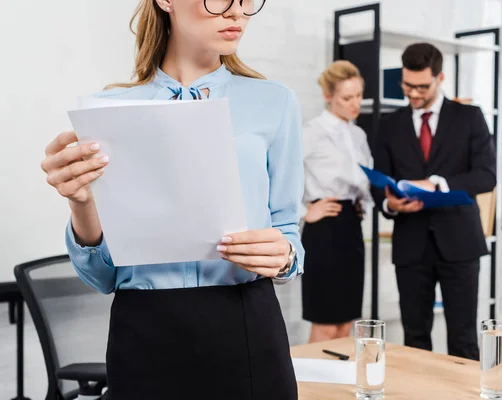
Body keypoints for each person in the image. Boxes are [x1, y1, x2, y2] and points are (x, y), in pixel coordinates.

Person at [40, 1, 304, 398]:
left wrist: (283, 254)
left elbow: (289, 235)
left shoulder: (276, 102)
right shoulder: (108, 112)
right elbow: (103, 276)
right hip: (145, 333)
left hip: (247, 324)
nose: (238, 13)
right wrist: (80, 203)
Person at [372, 43, 496, 361]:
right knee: (414, 338)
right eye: (407, 85)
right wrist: (390, 205)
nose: (413, 93)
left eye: (421, 86)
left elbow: (486, 176)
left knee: (464, 339)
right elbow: (378, 185)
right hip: (411, 245)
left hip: (461, 244)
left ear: (440, 78)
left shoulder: (469, 117)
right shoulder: (389, 125)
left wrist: (438, 184)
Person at [301, 60, 373, 343]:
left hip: (351, 227)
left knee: (346, 323)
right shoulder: (312, 131)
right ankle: (309, 387)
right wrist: (305, 211)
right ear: (328, 96)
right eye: (347, 97)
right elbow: (276, 173)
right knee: (326, 321)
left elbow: (363, 181)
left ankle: (335, 385)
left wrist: (364, 203)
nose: (355, 103)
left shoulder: (358, 134)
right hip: (325, 229)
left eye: (358, 95)